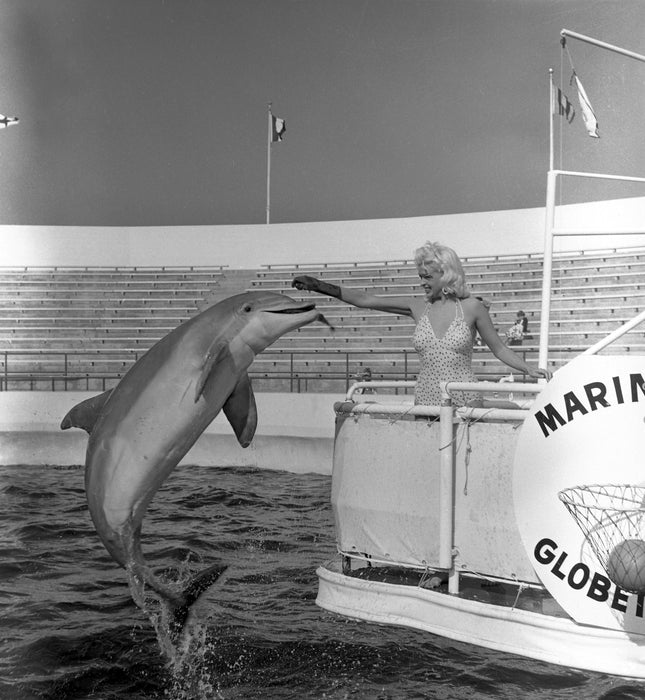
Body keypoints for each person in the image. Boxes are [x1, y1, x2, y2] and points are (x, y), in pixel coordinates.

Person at [292, 241, 551, 407]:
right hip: (425, 396)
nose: (422, 282)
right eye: (420, 277)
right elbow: (364, 300)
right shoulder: (418, 307)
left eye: (427, 277)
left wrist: (527, 369)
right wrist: (319, 286)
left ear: (446, 274)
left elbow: (500, 349)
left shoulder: (472, 307)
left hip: (464, 397)